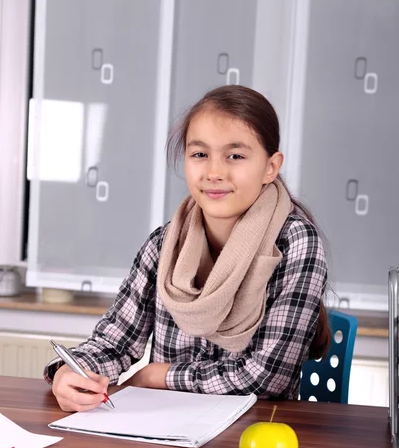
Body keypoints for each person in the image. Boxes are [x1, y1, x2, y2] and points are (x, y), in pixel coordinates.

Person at [45, 85, 330, 412]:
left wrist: (159, 377)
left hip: (253, 436)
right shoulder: (164, 244)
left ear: (270, 167)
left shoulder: (296, 242)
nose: (214, 172)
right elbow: (114, 342)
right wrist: (69, 371)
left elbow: (266, 377)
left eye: (235, 156)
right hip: (167, 430)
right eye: (199, 154)